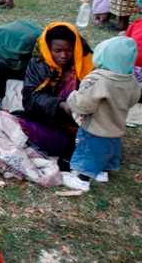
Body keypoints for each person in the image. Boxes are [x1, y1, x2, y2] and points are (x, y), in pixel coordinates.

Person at [60, 36, 141, 192]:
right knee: (107, 151)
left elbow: (84, 105)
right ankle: (102, 173)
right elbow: (133, 100)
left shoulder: (99, 80)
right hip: (116, 129)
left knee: (89, 152)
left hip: (96, 128)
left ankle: (82, 180)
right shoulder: (130, 80)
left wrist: (72, 98)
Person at [19, 22, 94, 169]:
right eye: (58, 50)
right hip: (48, 119)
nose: (64, 55)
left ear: (76, 48)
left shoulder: (87, 64)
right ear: (48, 48)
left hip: (79, 125)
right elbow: (29, 98)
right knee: (15, 123)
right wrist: (60, 105)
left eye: (69, 50)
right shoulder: (38, 63)